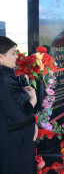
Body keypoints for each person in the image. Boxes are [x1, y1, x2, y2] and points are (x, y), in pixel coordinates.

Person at [0, 36, 38, 174]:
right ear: (1, 57)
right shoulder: (5, 77)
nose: (16, 57)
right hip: (14, 139)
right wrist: (33, 98)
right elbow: (22, 109)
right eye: (13, 53)